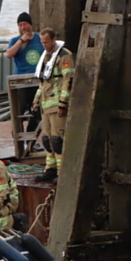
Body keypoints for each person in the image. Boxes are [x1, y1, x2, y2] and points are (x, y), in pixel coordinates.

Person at [32, 28, 75, 183]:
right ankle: (50, 169)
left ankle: (63, 172)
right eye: (42, 42)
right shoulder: (46, 57)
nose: (45, 45)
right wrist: (36, 100)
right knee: (47, 140)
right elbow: (43, 83)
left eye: (47, 42)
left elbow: (67, 80)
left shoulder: (64, 56)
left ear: (54, 40)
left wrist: (63, 102)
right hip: (46, 105)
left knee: (58, 140)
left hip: (57, 104)